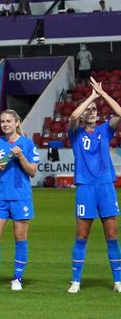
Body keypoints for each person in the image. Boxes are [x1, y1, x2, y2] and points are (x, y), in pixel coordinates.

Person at [66, 76, 121, 293]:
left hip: (105, 186)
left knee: (112, 235)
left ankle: (118, 280)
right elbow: (73, 115)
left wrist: (102, 94)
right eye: (89, 110)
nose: (92, 112)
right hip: (85, 188)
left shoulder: (105, 130)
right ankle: (76, 281)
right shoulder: (75, 133)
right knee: (82, 236)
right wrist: (91, 97)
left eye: (95, 110)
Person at [0, 109, 38, 291]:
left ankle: (17, 278)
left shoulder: (27, 144)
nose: (5, 124)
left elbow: (33, 172)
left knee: (20, 238)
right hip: (1, 198)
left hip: (21, 197)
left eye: (8, 121)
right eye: (3, 121)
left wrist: (20, 156)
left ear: (17, 122)